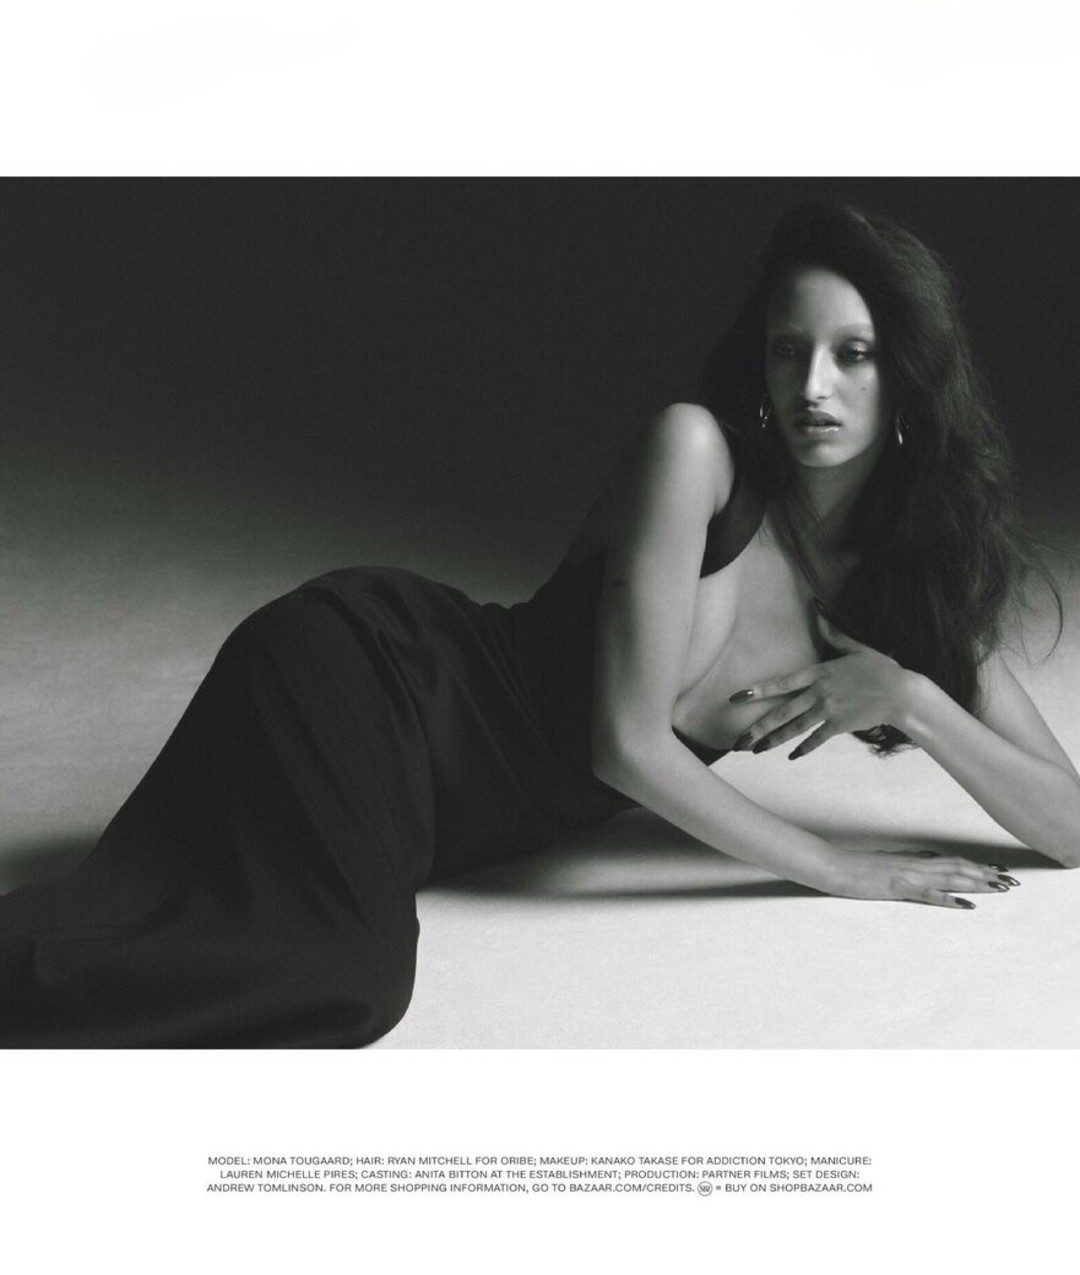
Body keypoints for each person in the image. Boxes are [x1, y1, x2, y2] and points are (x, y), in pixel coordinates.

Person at [1, 203, 1076, 1049]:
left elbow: (1071, 830)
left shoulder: (907, 596)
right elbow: (625, 743)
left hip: (424, 815)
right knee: (344, 977)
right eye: (788, 349)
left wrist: (915, 701)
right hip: (375, 678)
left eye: (855, 354)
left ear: (910, 377)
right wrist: (835, 865)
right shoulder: (699, 455)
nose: (812, 385)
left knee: (228, 932)